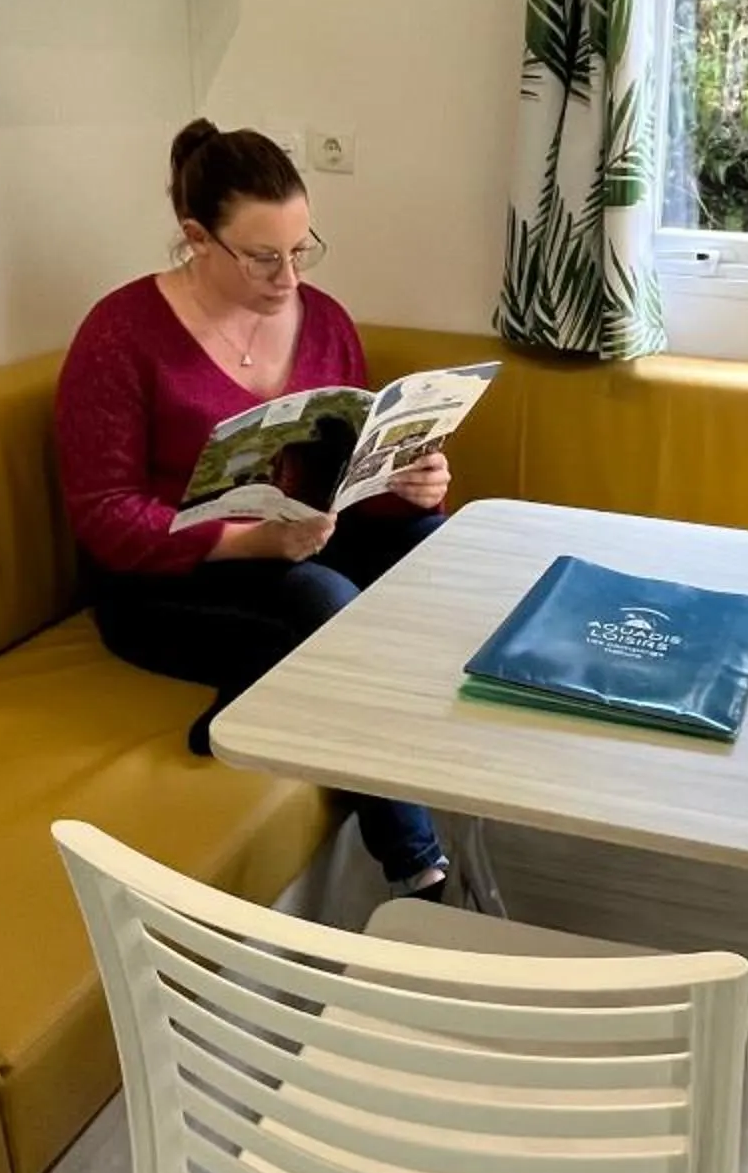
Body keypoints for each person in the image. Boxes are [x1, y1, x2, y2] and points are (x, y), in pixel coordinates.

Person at [55, 120, 454, 900]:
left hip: (295, 545)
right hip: (166, 584)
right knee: (327, 600)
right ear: (196, 238)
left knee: (430, 546)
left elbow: (338, 479)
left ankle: (259, 691)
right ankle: (417, 864)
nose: (288, 277)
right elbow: (104, 515)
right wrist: (247, 543)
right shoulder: (119, 336)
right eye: (264, 257)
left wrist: (406, 480)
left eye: (302, 250)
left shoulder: (326, 321)